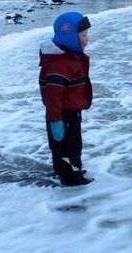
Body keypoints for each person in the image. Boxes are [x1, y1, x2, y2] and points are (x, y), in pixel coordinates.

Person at [39, 12, 93, 186]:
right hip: (62, 115)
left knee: (70, 144)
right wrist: (55, 120)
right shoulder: (60, 64)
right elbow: (53, 96)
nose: (87, 39)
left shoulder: (69, 58)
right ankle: (70, 178)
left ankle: (67, 170)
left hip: (70, 111)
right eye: (83, 35)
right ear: (69, 37)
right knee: (67, 146)